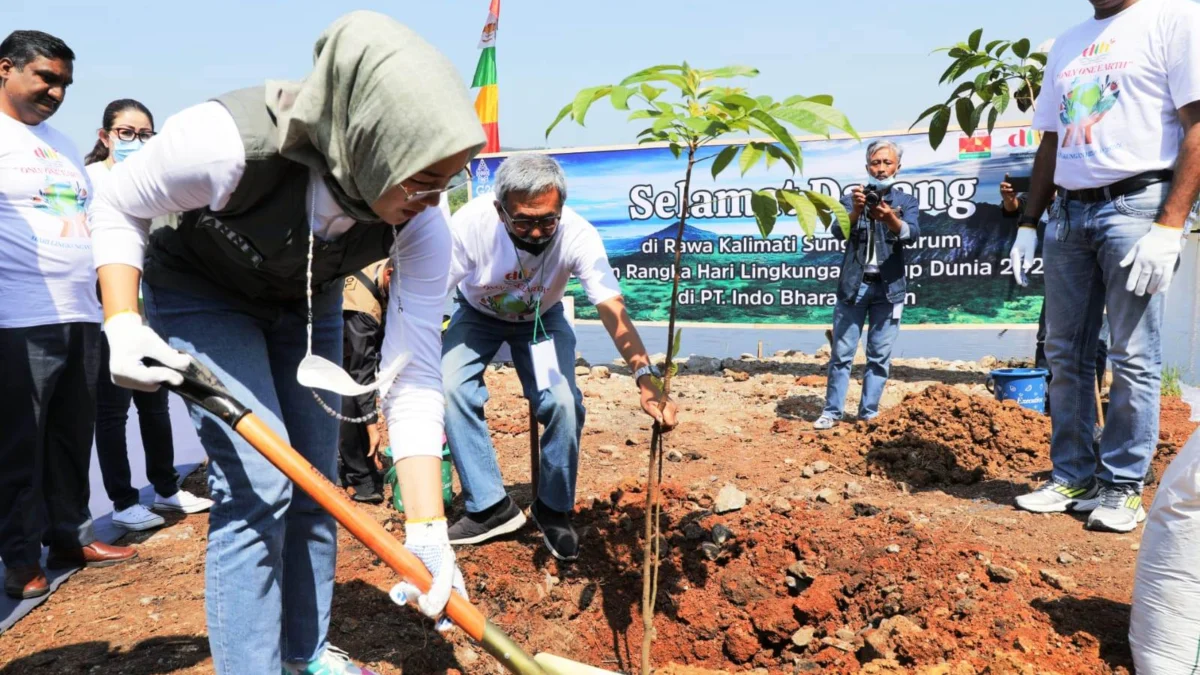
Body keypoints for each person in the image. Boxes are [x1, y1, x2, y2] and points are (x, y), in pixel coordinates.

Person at [89, 12, 485, 674]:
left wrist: (428, 531)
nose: (429, 199)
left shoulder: (423, 221)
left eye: (443, 183)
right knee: (260, 485)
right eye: (418, 178)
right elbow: (116, 204)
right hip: (199, 288)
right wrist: (122, 320)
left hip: (304, 301)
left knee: (317, 483)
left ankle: (304, 653)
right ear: (367, 142)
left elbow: (412, 377)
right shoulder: (224, 144)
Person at [1011, 0, 1200, 533]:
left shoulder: (1175, 18)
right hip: (1069, 214)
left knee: (1133, 354)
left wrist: (1170, 225)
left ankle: (1122, 487)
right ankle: (1072, 476)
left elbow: (1197, 124)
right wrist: (1029, 221)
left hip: (1136, 207)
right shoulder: (1068, 42)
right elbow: (1052, 137)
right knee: (1065, 352)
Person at [442, 153, 678, 562]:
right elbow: (427, 297)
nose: (536, 233)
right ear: (500, 211)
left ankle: (553, 509)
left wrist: (647, 377)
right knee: (448, 387)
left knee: (562, 401)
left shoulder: (578, 235)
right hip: (478, 317)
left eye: (547, 220)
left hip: (539, 324)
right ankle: (489, 507)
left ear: (561, 209)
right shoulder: (468, 227)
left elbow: (611, 307)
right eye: (523, 221)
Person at [0, 30, 138, 601]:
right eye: (45, 78)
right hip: (17, 318)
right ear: (5, 69)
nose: (56, 92)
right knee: (19, 445)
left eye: (64, 84)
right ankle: (18, 558)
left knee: (70, 436)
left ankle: (71, 536)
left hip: (81, 314)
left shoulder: (59, 146)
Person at [84, 98, 213, 531]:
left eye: (144, 134)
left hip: (150, 312)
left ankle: (165, 487)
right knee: (113, 410)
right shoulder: (90, 183)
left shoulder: (153, 184)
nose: (135, 141)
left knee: (155, 405)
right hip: (110, 316)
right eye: (126, 133)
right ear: (105, 137)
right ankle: (122, 500)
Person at [813, 140, 921, 430]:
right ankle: (832, 412)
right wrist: (856, 211)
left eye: (887, 163)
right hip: (853, 287)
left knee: (879, 357)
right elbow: (838, 231)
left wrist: (890, 218)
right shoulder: (852, 198)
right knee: (841, 354)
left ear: (898, 166)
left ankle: (868, 414)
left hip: (889, 289)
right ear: (867, 166)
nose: (882, 168)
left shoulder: (906, 201)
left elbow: (912, 234)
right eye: (876, 163)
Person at [1000, 180, 1109, 392]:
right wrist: (1009, 198)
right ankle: (1046, 390)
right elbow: (1014, 208)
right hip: (1063, 274)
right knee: (1047, 334)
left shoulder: (1087, 193)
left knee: (1096, 336)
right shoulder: (1040, 195)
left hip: (1098, 269)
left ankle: (1090, 390)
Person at [338, 258, 392, 504]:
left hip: (341, 339)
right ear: (390, 275)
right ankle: (362, 478)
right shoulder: (363, 310)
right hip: (309, 338)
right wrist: (372, 426)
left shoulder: (379, 264)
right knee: (346, 397)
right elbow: (362, 373)